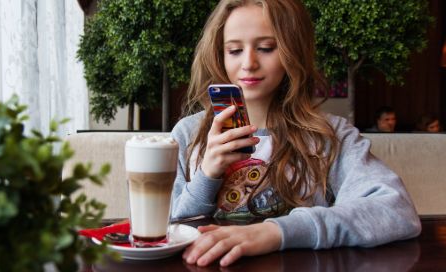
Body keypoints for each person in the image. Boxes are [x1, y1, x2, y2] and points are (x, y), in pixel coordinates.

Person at [170, 0, 420, 267]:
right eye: (234, 50)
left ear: (294, 50)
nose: (249, 63)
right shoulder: (189, 133)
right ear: (219, 55)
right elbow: (164, 227)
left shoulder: (330, 135)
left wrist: (277, 232)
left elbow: (397, 211)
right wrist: (206, 176)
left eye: (266, 48)